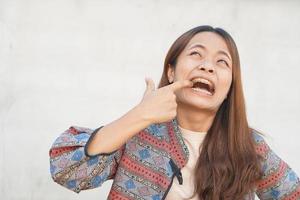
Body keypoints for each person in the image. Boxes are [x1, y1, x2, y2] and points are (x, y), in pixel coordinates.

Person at [49, 25, 300, 200]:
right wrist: (140, 115)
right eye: (196, 54)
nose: (207, 66)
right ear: (171, 72)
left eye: (222, 62)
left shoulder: (249, 147)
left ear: (229, 86)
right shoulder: (138, 134)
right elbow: (66, 170)